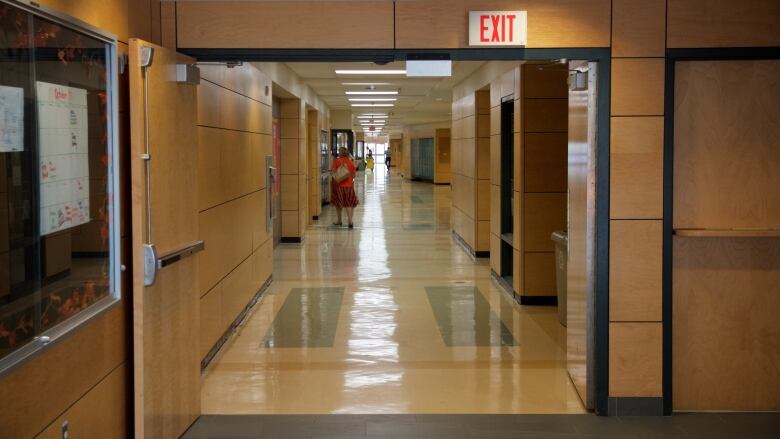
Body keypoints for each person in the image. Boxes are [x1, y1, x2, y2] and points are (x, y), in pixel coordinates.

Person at [331, 147, 359, 228]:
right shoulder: (351, 162)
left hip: (338, 186)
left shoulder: (336, 161)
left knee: (338, 204)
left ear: (340, 153)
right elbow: (353, 175)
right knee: (349, 203)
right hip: (349, 186)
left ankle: (339, 220)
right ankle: (350, 221)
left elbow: (333, 173)